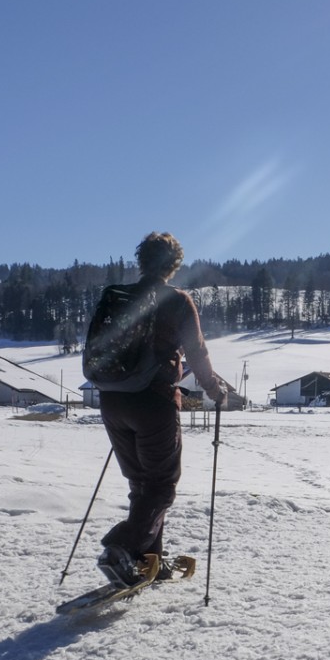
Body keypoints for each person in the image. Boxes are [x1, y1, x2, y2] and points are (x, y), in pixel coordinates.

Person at [96, 232, 228, 587]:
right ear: (173, 265)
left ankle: (147, 560)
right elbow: (197, 353)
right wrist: (215, 390)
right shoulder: (177, 301)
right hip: (153, 401)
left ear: (142, 261)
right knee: (162, 486)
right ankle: (120, 548)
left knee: (142, 484)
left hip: (111, 400)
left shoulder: (116, 297)